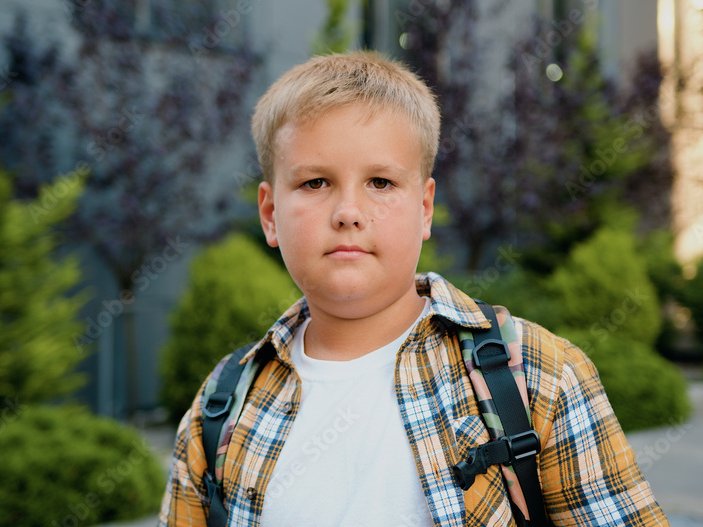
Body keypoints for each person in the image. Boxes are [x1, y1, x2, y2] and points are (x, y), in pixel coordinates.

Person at [159, 50, 667, 526]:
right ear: (270, 215)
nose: (348, 213)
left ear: (424, 208)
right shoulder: (221, 407)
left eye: (380, 182)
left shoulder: (537, 375)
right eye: (315, 183)